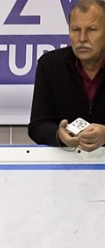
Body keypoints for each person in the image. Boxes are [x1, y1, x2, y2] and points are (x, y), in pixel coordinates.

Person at [28, 0, 105, 151]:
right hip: (66, 168)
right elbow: (38, 125)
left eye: (92, 29)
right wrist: (59, 134)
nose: (82, 38)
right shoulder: (50, 65)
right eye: (76, 29)